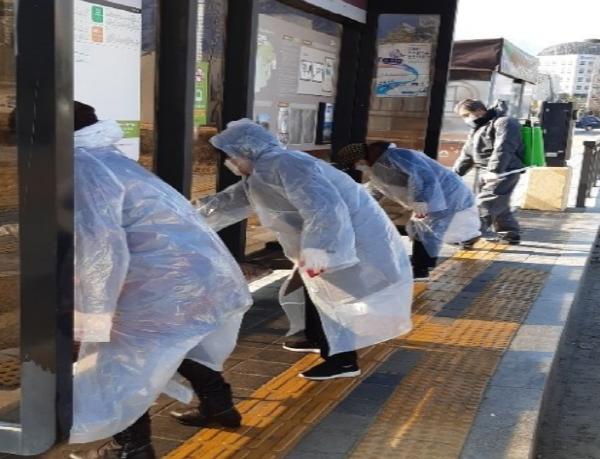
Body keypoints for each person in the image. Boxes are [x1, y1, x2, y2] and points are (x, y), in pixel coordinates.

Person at [69, 102, 253, 459]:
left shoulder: (82, 167)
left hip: (160, 284)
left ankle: (132, 448)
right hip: (195, 274)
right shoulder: (109, 159)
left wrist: (92, 314)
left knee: (118, 363)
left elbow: (99, 250)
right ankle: (219, 406)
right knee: (176, 342)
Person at [197, 119, 413, 381]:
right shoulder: (261, 173)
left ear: (246, 149)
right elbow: (227, 203)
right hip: (328, 242)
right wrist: (184, 218)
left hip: (348, 241)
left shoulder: (285, 164)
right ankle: (318, 339)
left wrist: (320, 249)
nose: (228, 162)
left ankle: (343, 361)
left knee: (335, 298)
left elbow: (324, 207)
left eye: (230, 155)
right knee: (317, 292)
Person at [337, 143, 481, 279]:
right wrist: (360, 204)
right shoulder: (377, 166)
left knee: (424, 230)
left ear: (361, 158)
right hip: (434, 196)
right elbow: (378, 188)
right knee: (422, 229)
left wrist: (421, 199)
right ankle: (466, 240)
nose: (358, 167)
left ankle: (421, 269)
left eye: (355, 164)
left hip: (445, 194)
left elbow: (423, 176)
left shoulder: (395, 156)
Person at [453, 99, 525, 245]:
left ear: (480, 111)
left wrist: (494, 171)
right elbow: (467, 154)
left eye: (466, 115)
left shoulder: (504, 122)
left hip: (504, 172)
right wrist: (454, 175)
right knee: (499, 204)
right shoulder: (478, 127)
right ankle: (509, 233)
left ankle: (467, 235)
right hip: (486, 172)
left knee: (485, 204)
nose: (466, 119)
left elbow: (504, 147)